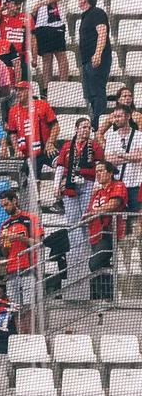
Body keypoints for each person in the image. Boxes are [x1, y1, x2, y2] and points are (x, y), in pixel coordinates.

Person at [54, 117, 103, 298]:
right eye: (83, 127)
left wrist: (97, 185)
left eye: (88, 128)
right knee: (73, 220)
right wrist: (55, 185)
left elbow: (98, 167)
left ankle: (85, 251)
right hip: (70, 185)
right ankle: (76, 253)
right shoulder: (67, 146)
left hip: (88, 184)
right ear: (76, 129)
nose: (86, 130)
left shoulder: (95, 146)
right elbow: (60, 167)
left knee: (86, 218)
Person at [0, 188, 42, 332]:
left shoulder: (31, 218)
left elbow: (38, 242)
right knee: (15, 307)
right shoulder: (4, 225)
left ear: (14, 201)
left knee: (28, 306)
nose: (4, 208)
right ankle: (21, 335)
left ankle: (30, 336)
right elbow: (6, 253)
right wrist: (3, 244)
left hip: (28, 267)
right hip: (11, 270)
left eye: (6, 205)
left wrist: (18, 238)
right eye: (2, 206)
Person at [84, 161, 123, 300]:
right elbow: (88, 212)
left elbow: (113, 204)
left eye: (101, 171)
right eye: (96, 172)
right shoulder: (97, 193)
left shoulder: (118, 185)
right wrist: (88, 216)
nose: (98, 174)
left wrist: (95, 212)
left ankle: (105, 296)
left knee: (95, 263)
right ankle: (103, 298)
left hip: (109, 233)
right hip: (94, 234)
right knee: (101, 264)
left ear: (110, 173)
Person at [29, 0, 69, 89]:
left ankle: (64, 85)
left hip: (55, 25)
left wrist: (38, 4)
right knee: (46, 58)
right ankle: (47, 87)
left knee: (60, 55)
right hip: (42, 26)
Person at [8, 82, 59, 177]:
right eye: (17, 90)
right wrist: (16, 150)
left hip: (46, 149)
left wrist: (50, 142)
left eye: (21, 90)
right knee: (30, 181)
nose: (18, 93)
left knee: (62, 164)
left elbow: (55, 126)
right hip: (27, 154)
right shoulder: (13, 110)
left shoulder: (42, 105)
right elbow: (13, 133)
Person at [103, 104, 142, 224]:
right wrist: (130, 156)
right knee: (117, 223)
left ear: (128, 116)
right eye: (115, 117)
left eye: (119, 116)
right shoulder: (111, 136)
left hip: (135, 185)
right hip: (117, 186)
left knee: (135, 221)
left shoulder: (139, 135)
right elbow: (109, 160)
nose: (116, 119)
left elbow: (139, 156)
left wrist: (119, 155)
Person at [79, 0, 112, 129]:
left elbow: (102, 33)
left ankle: (98, 121)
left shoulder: (97, 13)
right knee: (91, 92)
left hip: (97, 59)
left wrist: (97, 53)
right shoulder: (85, 16)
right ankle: (95, 120)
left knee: (98, 90)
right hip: (87, 60)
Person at [0, 0, 35, 86]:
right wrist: (3, 7)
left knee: (23, 87)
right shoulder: (2, 18)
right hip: (6, 58)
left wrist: (34, 58)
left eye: (20, 3)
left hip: (23, 59)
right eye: (16, 3)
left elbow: (33, 39)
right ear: (8, 4)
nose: (19, 6)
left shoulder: (27, 18)